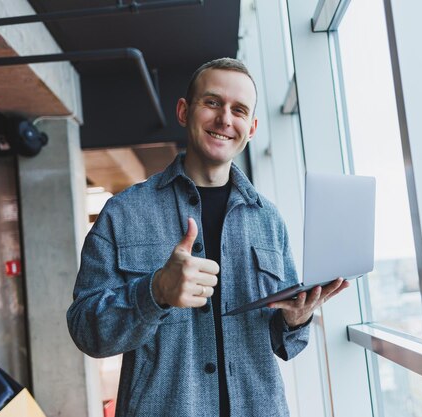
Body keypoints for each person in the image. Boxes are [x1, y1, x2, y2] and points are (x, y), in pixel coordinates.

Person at [67, 58, 348, 417]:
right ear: (184, 111)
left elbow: (287, 344)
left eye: (239, 110)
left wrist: (297, 319)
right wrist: (155, 292)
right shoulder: (123, 214)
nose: (225, 119)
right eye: (212, 102)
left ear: (252, 127)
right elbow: (85, 330)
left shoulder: (269, 219)